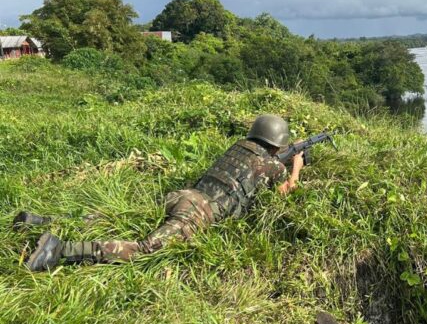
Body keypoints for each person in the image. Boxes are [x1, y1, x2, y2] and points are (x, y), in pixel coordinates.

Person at [25, 114, 305, 271]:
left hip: (181, 196)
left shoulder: (237, 147)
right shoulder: (271, 165)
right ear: (277, 144)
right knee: (145, 250)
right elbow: (285, 192)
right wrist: (296, 168)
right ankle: (59, 250)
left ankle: (44, 220)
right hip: (198, 212)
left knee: (123, 217)